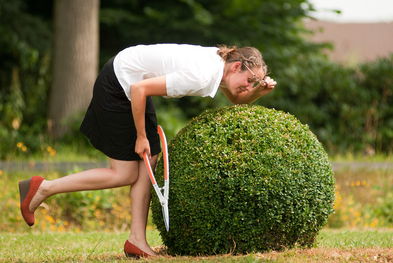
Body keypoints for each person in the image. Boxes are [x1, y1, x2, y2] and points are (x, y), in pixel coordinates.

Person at [18, 43, 276, 258]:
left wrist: (258, 92)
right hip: (120, 86)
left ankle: (136, 241)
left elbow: (236, 98)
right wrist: (141, 136)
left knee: (149, 159)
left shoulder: (219, 69)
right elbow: (138, 90)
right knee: (124, 174)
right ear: (235, 66)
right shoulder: (201, 73)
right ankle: (43, 188)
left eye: (255, 82)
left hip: (131, 82)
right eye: (250, 80)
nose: (249, 86)